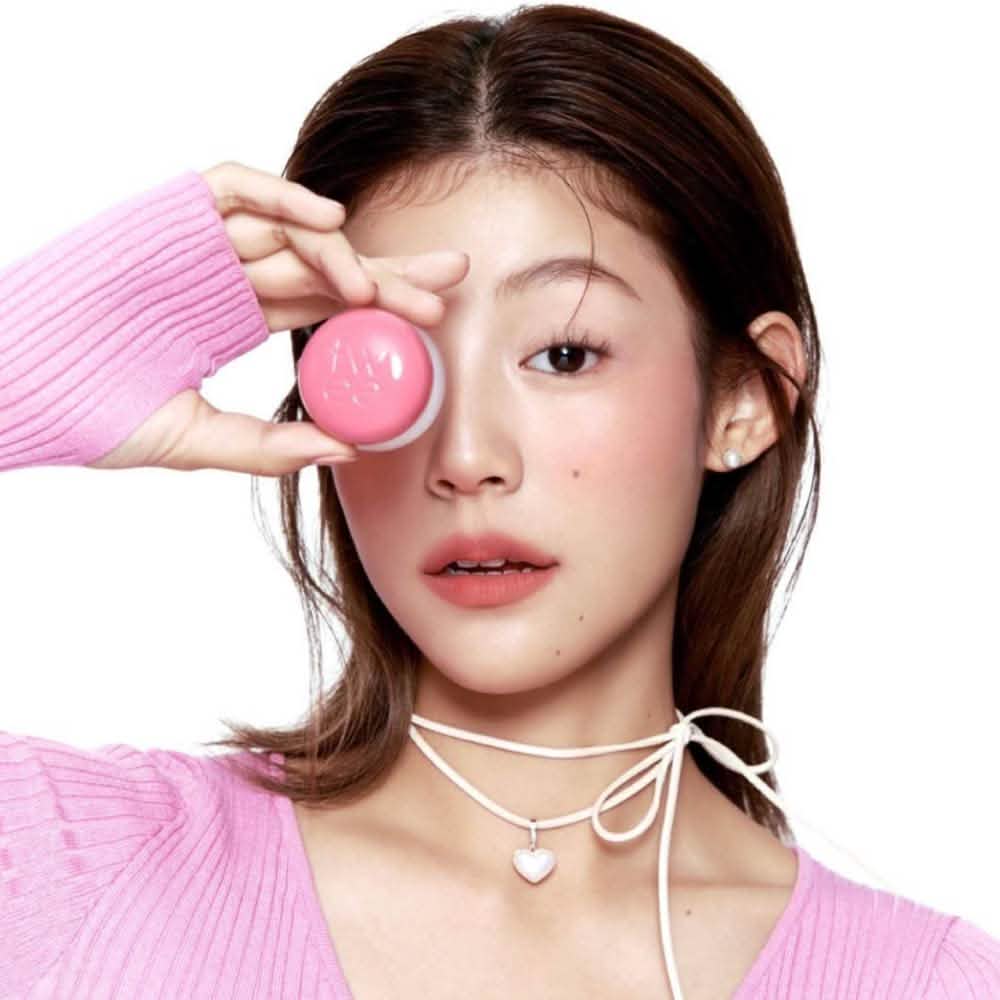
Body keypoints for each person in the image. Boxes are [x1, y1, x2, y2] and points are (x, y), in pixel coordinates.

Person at [1, 6, 998, 999]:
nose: (466, 458)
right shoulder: (67, 873)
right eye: (394, 364)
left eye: (563, 354)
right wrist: (22, 366)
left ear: (744, 397)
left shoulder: (927, 984)